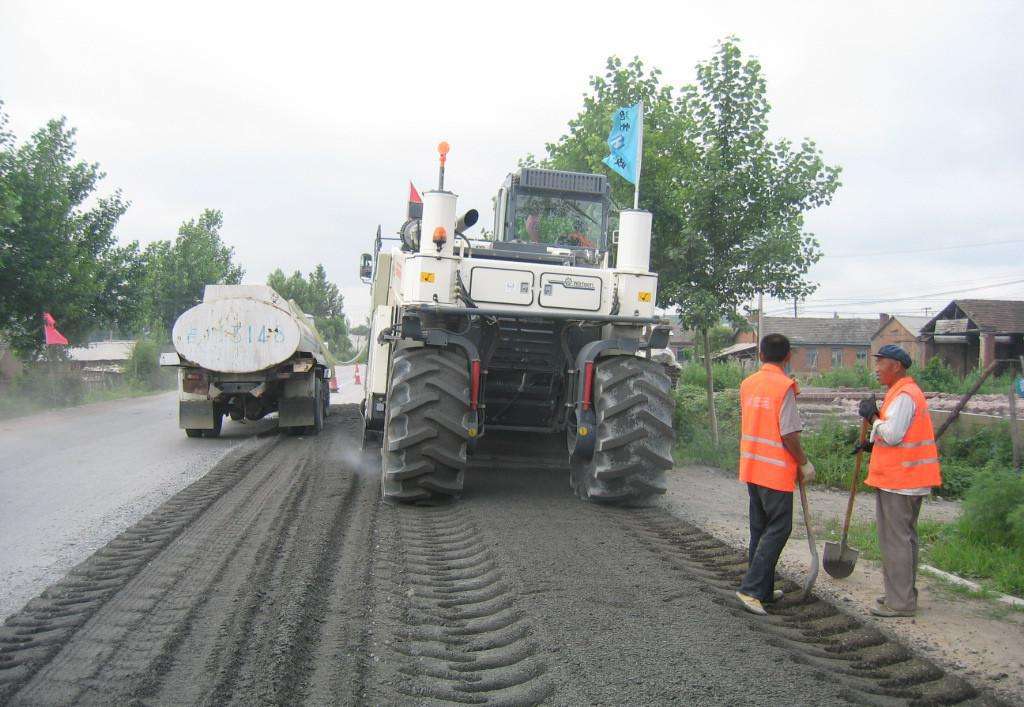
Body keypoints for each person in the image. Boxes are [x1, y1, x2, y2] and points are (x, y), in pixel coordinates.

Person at [857, 344, 942, 618]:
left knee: (896, 542)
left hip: (901, 482)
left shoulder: (904, 395)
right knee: (905, 540)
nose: (876, 368)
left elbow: (893, 435)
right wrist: (873, 439)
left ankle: (901, 602)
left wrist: (872, 417)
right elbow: (896, 433)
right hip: (905, 480)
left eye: (880, 362)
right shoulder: (901, 392)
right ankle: (901, 593)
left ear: (896, 366)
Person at [735, 333, 816, 616]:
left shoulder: (748, 384)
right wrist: (804, 462)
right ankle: (751, 589)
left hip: (752, 466)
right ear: (788, 356)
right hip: (774, 470)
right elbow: (789, 433)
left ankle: (764, 589)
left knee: (760, 529)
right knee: (779, 529)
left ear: (760, 355)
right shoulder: (784, 387)